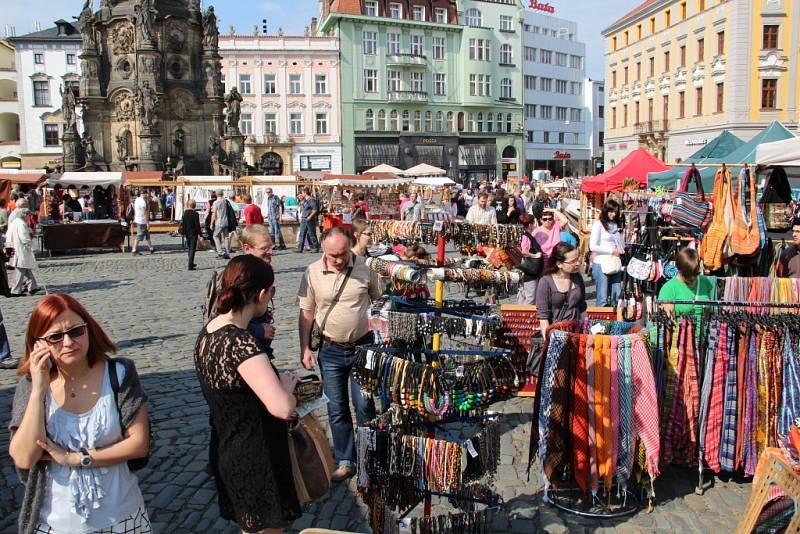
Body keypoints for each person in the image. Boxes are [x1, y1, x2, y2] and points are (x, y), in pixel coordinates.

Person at [9, 294, 151, 533]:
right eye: (55, 337)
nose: (68, 342)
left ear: (89, 328)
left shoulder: (119, 373)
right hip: (54, 524)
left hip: (123, 520)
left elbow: (139, 444)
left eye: (76, 331)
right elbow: (24, 457)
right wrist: (39, 391)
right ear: (38, 344)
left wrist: (76, 458)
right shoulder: (31, 385)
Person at [195, 256, 301, 533]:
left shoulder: (209, 332)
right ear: (262, 294)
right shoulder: (241, 343)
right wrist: (287, 389)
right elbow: (282, 408)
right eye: (272, 292)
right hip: (256, 456)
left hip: (229, 448)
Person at [298, 226, 381, 481]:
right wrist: (305, 348)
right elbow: (307, 312)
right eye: (333, 255)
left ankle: (370, 455)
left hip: (362, 346)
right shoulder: (312, 272)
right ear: (324, 250)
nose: (338, 259)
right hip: (330, 350)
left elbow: (379, 303)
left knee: (364, 404)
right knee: (336, 407)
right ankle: (346, 459)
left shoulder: (366, 268)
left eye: (343, 253)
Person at [535, 242, 587, 333]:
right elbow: (543, 318)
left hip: (578, 332)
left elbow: (582, 308)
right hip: (557, 335)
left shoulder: (577, 278)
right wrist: (548, 342)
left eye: (577, 259)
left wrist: (587, 331)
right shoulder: (545, 282)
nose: (577, 263)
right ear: (559, 264)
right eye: (572, 261)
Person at [658, 247, 716, 323]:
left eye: (695, 273)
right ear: (679, 270)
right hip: (681, 334)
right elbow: (666, 324)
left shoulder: (705, 282)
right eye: (687, 275)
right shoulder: (669, 289)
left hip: (705, 333)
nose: (692, 278)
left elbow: (712, 311)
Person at [590, 199, 625, 307]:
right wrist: (611, 251)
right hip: (601, 263)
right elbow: (592, 246)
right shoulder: (598, 224)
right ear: (606, 210)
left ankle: (616, 322)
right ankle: (600, 322)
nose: (613, 214)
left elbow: (619, 244)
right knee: (602, 298)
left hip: (614, 262)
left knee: (617, 296)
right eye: (611, 211)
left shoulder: (616, 224)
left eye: (615, 212)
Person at [7, 204, 41, 297]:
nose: (28, 217)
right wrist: (33, 247)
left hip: (17, 248)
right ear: (25, 215)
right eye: (28, 215)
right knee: (21, 269)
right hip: (21, 249)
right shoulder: (21, 224)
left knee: (25, 268)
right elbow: (24, 238)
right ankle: (15, 290)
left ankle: (33, 287)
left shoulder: (15, 222)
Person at [518, 214, 544, 305]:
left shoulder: (521, 233)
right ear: (530, 225)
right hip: (529, 271)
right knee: (530, 297)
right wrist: (535, 255)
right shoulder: (526, 236)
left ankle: (520, 314)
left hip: (526, 270)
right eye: (533, 223)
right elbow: (524, 251)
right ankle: (524, 316)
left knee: (523, 295)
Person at [180, 199, 202, 271]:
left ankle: (191, 262)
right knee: (192, 249)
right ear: (194, 205)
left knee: (189, 248)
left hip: (187, 232)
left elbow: (183, 224)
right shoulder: (195, 214)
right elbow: (197, 225)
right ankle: (190, 265)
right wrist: (200, 234)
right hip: (193, 233)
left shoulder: (185, 213)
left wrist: (183, 232)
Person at [296, 188, 320, 254]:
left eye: (302, 193)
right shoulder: (306, 200)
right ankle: (300, 248)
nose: (301, 194)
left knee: (311, 234)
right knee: (302, 234)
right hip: (304, 218)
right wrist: (300, 199)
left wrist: (310, 216)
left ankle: (315, 248)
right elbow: (303, 207)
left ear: (305, 193)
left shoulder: (311, 200)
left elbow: (315, 210)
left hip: (309, 219)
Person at [210, 189, 232, 259]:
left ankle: (220, 252)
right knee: (226, 237)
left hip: (219, 222)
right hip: (226, 221)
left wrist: (211, 223)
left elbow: (214, 214)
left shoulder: (216, 202)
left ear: (216, 194)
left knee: (215, 236)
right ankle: (227, 252)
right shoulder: (225, 201)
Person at [131, 190, 154, 255]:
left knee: (147, 234)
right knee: (139, 235)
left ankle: (151, 248)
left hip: (138, 219)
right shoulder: (142, 202)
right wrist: (147, 223)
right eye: (146, 194)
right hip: (142, 221)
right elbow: (144, 212)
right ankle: (134, 250)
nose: (147, 195)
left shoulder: (137, 199)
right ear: (144, 194)